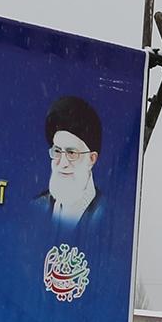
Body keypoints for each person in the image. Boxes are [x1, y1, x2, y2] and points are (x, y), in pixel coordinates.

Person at [33, 94, 105, 231]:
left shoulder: (107, 215)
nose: (62, 163)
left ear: (91, 159)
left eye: (71, 153)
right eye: (57, 151)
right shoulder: (37, 207)